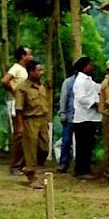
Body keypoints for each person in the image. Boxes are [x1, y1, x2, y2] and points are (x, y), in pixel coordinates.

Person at [14, 60, 50, 189]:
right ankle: (31, 175)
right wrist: (20, 126)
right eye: (38, 70)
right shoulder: (22, 88)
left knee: (44, 147)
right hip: (30, 120)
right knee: (31, 148)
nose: (41, 72)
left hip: (42, 120)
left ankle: (30, 167)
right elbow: (18, 109)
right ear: (31, 72)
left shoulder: (41, 86)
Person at [2, 46, 33, 175]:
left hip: (24, 106)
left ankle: (22, 164)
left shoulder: (25, 70)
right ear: (22, 56)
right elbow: (4, 80)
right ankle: (15, 166)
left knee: (25, 136)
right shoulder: (16, 68)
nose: (31, 57)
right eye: (29, 54)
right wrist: (14, 91)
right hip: (16, 105)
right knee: (19, 136)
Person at [73, 57, 101, 179]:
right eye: (90, 64)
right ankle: (81, 170)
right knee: (83, 145)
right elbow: (81, 98)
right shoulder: (80, 81)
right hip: (83, 117)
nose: (92, 66)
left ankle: (86, 168)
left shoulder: (89, 80)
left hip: (91, 117)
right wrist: (95, 103)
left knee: (89, 145)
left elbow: (97, 88)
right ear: (85, 66)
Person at [58, 62, 78, 173]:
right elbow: (64, 98)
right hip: (69, 116)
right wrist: (62, 113)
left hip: (81, 117)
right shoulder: (68, 82)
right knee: (66, 141)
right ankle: (63, 163)